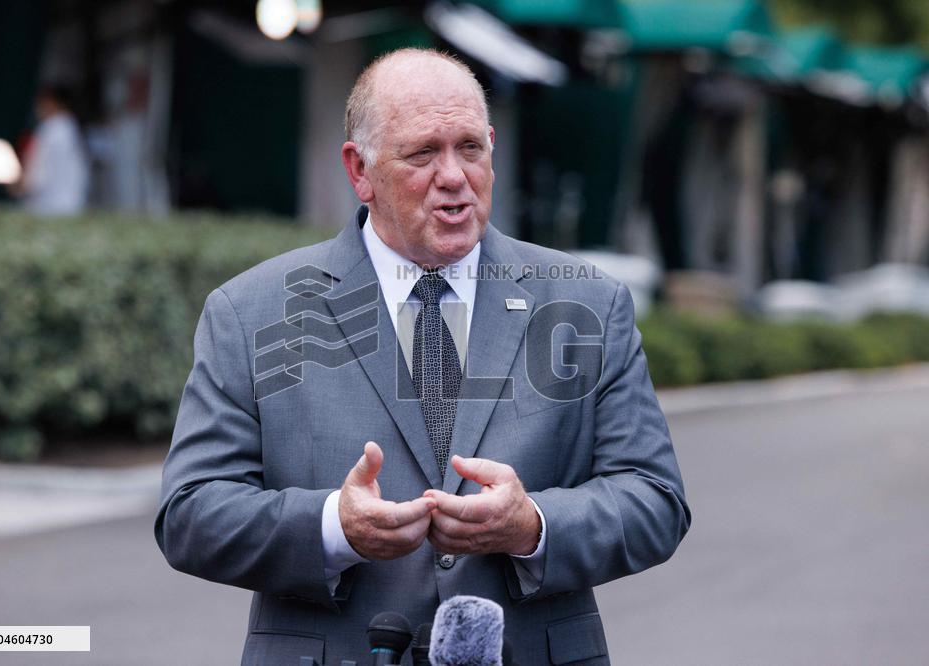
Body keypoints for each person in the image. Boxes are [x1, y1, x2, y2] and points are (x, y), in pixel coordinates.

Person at [156, 48, 690, 665]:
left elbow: (655, 499)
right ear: (361, 171)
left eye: (470, 147)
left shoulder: (587, 303)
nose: (455, 175)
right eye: (422, 153)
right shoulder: (252, 312)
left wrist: (534, 525)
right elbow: (190, 513)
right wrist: (333, 526)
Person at [13, 86, 89, 216]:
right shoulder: (70, 126)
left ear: (52, 102)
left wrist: (20, 186)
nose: (38, 108)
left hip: (49, 206)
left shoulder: (51, 129)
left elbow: (37, 174)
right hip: (72, 204)